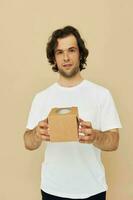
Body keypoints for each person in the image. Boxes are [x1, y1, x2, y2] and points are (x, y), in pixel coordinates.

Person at [23, 25, 122, 200]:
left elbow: (113, 142)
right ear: (54, 58)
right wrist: (37, 134)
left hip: (92, 190)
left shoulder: (101, 94)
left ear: (80, 54)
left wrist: (95, 137)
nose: (66, 57)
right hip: (52, 190)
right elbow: (28, 142)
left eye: (71, 50)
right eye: (60, 52)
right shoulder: (42, 97)